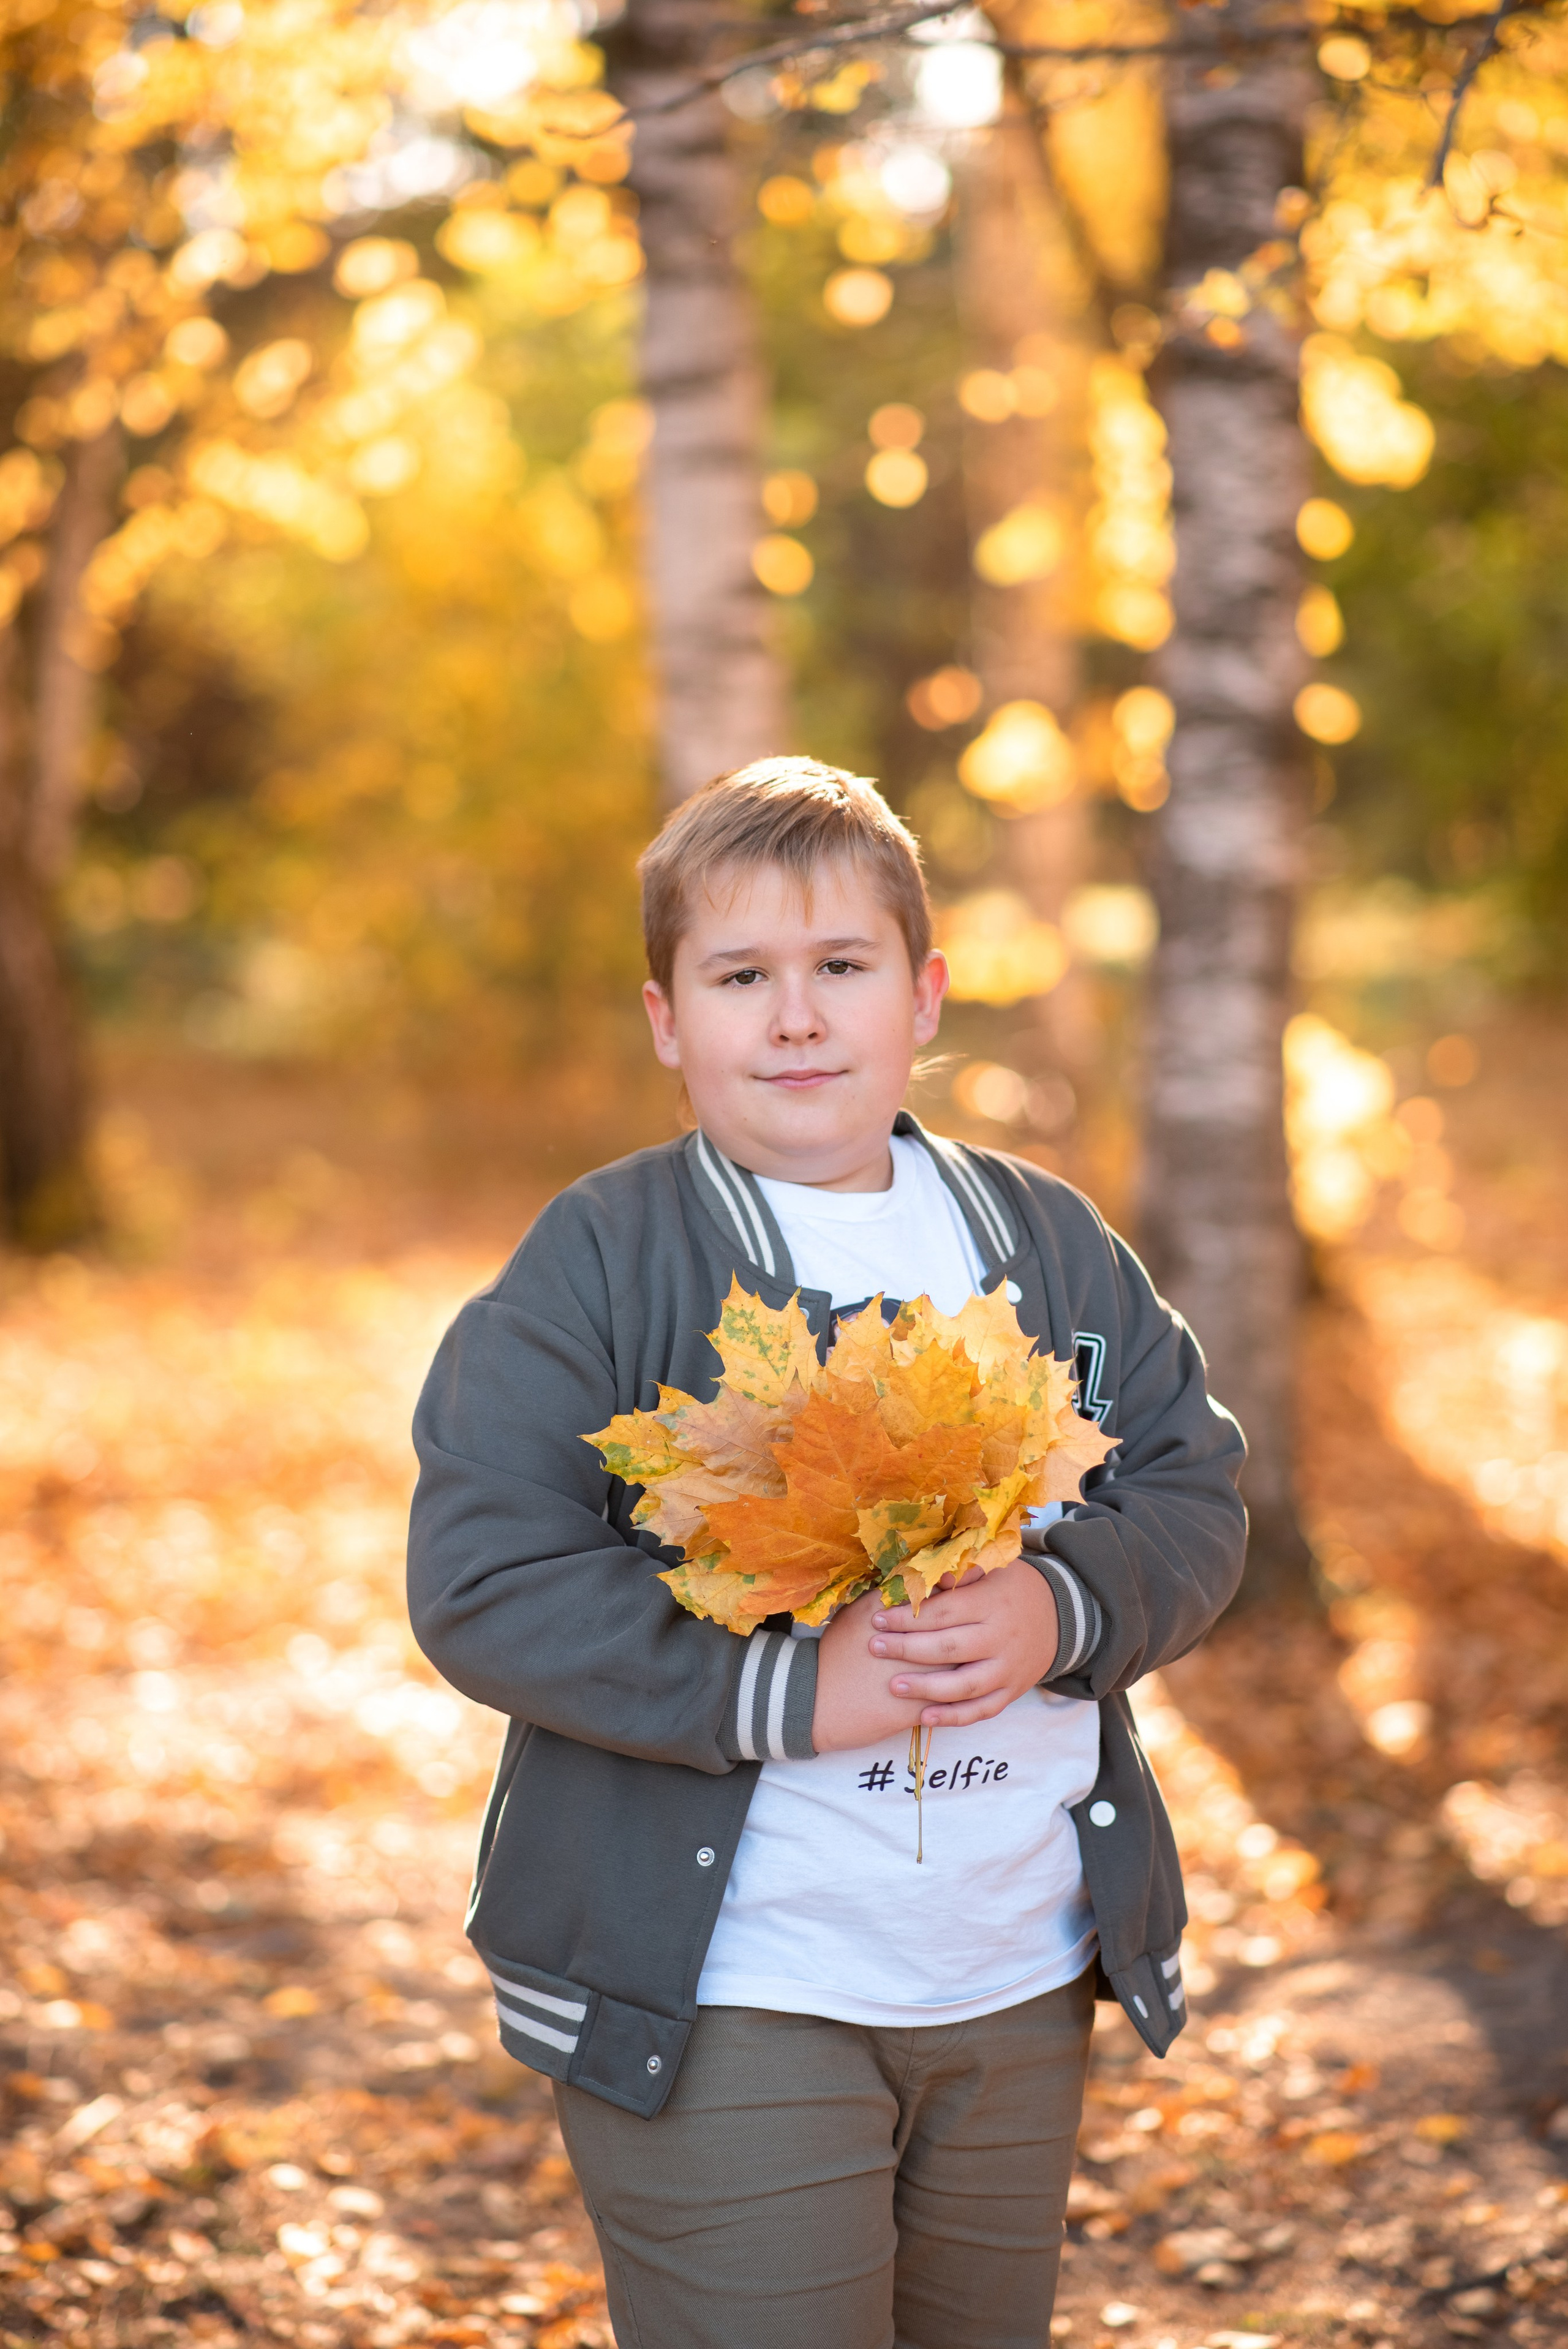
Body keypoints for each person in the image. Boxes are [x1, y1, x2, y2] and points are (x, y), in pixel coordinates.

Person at [407, 758, 1246, 2349]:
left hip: (1011, 1971)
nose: (795, 1017)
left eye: (840, 967)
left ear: (922, 995)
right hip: (734, 1988)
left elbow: (1197, 1490)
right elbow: (485, 1575)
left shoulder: (1044, 1240)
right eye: (741, 977)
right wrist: (789, 1692)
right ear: (669, 1018)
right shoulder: (607, 1258)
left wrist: (1064, 1606)